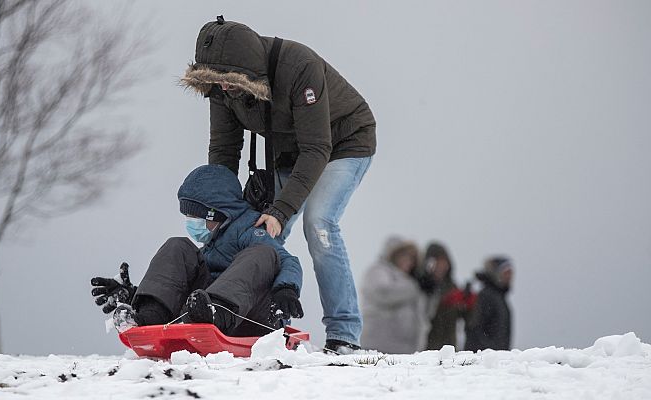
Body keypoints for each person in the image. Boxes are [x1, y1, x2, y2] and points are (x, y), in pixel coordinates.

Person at [180, 16, 376, 353]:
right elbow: (225, 150)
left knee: (319, 223)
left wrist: (281, 210)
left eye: (229, 82)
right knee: (255, 235)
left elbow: (318, 148)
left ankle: (344, 335)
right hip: (289, 152)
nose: (224, 89)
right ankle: (244, 320)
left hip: (343, 144)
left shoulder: (300, 67)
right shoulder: (222, 85)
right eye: (217, 83)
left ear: (246, 69)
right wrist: (220, 211)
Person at [90, 164, 304, 337]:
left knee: (262, 254)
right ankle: (149, 315)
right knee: (178, 246)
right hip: (201, 311)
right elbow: (184, 283)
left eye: (197, 217)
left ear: (218, 214)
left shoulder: (250, 229)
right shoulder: (211, 243)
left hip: (254, 317)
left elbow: (288, 261)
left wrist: (286, 289)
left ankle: (214, 313)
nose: (192, 223)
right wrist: (136, 294)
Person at [360, 237, 438, 354]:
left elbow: (426, 313)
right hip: (377, 345)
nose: (408, 261)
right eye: (404, 255)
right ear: (394, 255)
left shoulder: (411, 280)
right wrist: (417, 287)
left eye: (412, 258)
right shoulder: (379, 270)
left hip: (407, 349)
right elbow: (383, 293)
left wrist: (430, 293)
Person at [424, 242, 477, 350]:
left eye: (444, 261)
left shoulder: (452, 287)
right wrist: (442, 302)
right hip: (424, 349)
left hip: (448, 349)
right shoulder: (421, 285)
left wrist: (468, 304)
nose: (441, 266)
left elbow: (470, 321)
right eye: (437, 262)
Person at [465, 256, 514, 351]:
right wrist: (490, 352)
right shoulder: (487, 296)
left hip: (494, 359)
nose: (509, 276)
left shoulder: (499, 298)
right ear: (496, 274)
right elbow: (474, 329)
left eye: (510, 273)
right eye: (506, 272)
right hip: (485, 360)